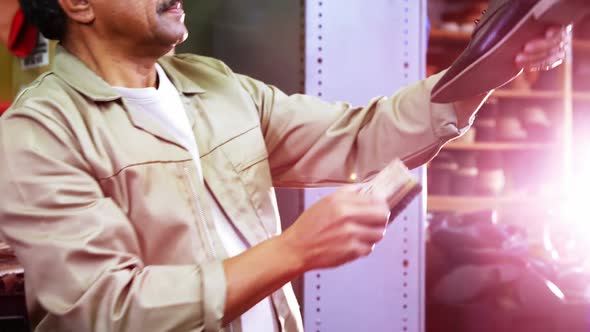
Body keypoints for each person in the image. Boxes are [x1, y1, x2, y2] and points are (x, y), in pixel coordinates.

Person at [0, 0, 567, 331]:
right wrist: (293, 251)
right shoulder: (38, 133)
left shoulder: (214, 84)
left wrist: (491, 68)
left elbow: (357, 137)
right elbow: (101, 310)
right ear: (77, 3)